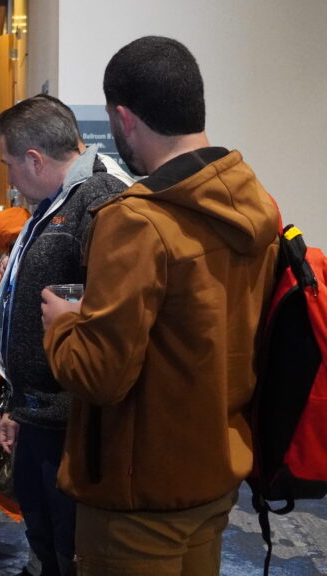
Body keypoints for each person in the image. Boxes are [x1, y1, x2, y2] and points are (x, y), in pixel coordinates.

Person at [40, 36, 279, 575]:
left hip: (138, 491)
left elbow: (98, 375)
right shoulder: (252, 202)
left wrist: (62, 325)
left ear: (124, 117)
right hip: (214, 470)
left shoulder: (138, 221)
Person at [0, 94, 132, 576]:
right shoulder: (56, 203)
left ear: (34, 159)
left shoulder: (102, 201)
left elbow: (124, 312)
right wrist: (16, 404)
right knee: (43, 534)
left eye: (9, 163)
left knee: (71, 546)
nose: (8, 177)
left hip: (72, 424)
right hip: (40, 411)